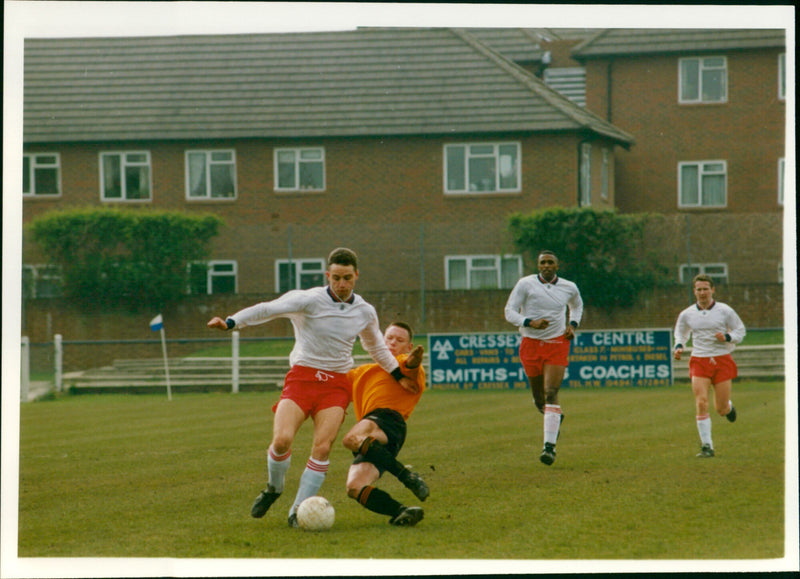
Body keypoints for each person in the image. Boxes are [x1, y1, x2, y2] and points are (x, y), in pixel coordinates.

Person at [207, 248, 418, 527]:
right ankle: (274, 488)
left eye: (347, 278)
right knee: (281, 441)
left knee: (322, 447)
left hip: (336, 384)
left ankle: (296, 512)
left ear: (356, 276)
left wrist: (396, 373)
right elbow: (268, 309)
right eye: (336, 278)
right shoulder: (308, 300)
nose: (342, 285)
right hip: (302, 379)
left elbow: (375, 345)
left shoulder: (364, 311)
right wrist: (232, 322)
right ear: (327, 276)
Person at [342, 322, 429, 527]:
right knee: (354, 487)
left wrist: (414, 361)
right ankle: (402, 511)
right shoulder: (361, 372)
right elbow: (335, 384)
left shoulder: (402, 363)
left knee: (350, 439)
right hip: (373, 437)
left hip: (389, 420)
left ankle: (407, 477)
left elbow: (411, 367)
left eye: (400, 340)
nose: (392, 343)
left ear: (408, 347)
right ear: (380, 341)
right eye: (389, 338)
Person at [504, 250, 583, 466]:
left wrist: (573, 325)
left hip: (556, 343)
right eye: (542, 263)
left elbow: (577, 305)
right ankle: (554, 418)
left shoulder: (569, 287)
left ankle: (549, 448)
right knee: (540, 398)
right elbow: (509, 311)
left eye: (550, 262)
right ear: (538, 266)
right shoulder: (525, 284)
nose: (546, 266)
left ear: (557, 266)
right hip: (530, 344)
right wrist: (529, 322)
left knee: (551, 392)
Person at [673, 274, 746, 458]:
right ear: (694, 291)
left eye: (706, 289)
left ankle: (728, 407)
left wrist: (728, 337)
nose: (703, 292)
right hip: (700, 360)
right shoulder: (687, 314)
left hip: (721, 360)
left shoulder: (725, 311)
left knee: (720, 409)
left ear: (712, 290)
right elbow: (681, 334)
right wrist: (679, 346)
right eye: (699, 289)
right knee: (701, 401)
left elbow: (740, 330)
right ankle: (707, 446)